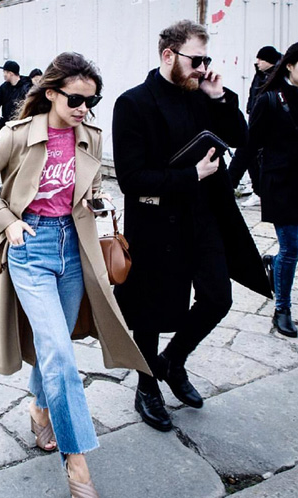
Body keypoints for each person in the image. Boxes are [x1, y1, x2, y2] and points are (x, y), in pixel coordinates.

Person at [0, 52, 149, 498]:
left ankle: (39, 407)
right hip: (31, 248)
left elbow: (87, 186)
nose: (84, 108)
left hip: (75, 247)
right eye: (76, 100)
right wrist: (6, 221)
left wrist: (96, 198)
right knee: (62, 358)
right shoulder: (18, 135)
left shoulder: (90, 137)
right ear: (51, 93)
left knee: (57, 345)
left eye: (92, 101)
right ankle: (77, 461)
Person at [112, 20, 272, 432]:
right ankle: (147, 386)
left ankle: (173, 360)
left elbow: (241, 137)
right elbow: (131, 178)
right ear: (169, 55)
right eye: (196, 60)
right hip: (156, 222)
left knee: (218, 298)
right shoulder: (133, 103)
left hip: (204, 218)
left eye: (206, 60)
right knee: (150, 312)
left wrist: (220, 98)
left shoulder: (203, 96)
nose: (203, 68)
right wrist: (190, 176)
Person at [247, 42, 298, 338]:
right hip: (280, 186)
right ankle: (282, 310)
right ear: (289, 65)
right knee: (291, 247)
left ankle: (273, 264)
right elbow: (249, 146)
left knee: (291, 249)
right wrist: (237, 183)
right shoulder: (270, 99)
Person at [229, 45, 282, 207]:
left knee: (250, 152)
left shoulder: (277, 78)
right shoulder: (260, 74)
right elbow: (253, 92)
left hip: (270, 125)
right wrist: (250, 107)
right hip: (257, 118)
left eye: (261, 59)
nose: (257, 62)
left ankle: (254, 190)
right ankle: (256, 191)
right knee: (249, 154)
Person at [0, 60, 31, 139]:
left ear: (10, 73)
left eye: (4, 72)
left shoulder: (26, 87)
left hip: (20, 126)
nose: (3, 75)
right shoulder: (4, 87)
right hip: (5, 124)